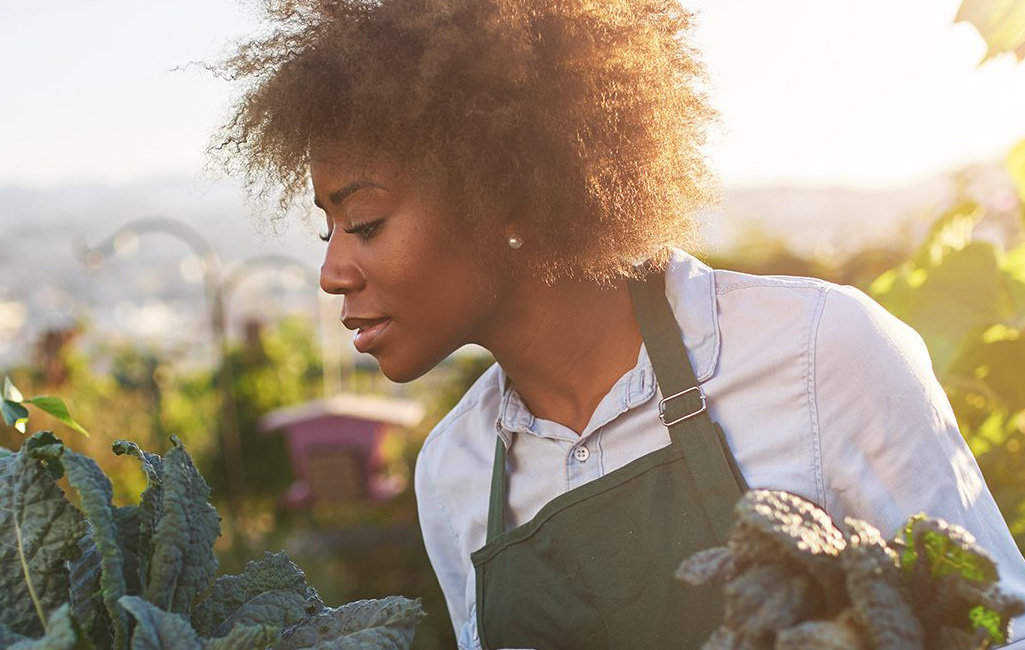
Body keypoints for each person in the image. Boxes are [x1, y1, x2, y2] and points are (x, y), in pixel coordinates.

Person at [214, 0, 1025, 648]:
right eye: (327, 233)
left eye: (364, 223)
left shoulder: (820, 353)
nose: (332, 273)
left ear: (510, 194)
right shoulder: (453, 474)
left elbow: (1002, 623)